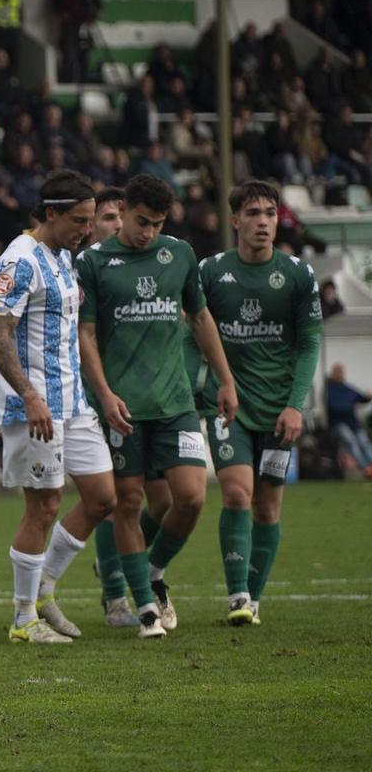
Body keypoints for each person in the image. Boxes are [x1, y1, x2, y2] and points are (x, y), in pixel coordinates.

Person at [75, 175, 237, 639]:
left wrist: (224, 379)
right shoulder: (94, 262)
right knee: (126, 503)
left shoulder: (179, 254)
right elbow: (85, 336)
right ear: (123, 210)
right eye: (141, 221)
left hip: (175, 402)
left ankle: (153, 570)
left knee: (189, 498)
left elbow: (200, 316)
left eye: (157, 223)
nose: (147, 232)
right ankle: (144, 609)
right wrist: (104, 395)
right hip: (122, 406)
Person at [0, 172, 117, 644]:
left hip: (73, 401)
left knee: (103, 497)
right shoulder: (18, 262)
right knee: (44, 508)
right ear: (50, 213)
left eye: (90, 219)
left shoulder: (64, 256)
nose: (86, 229)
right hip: (36, 405)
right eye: (79, 220)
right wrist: (30, 396)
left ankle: (43, 590)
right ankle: (23, 620)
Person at [180, 181, 321, 626]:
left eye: (270, 213)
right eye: (254, 213)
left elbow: (310, 343)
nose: (263, 221)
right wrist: (188, 391)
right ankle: (238, 596)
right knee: (238, 494)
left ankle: (253, 599)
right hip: (228, 407)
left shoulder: (298, 274)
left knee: (267, 508)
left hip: (279, 411)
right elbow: (191, 334)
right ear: (235, 220)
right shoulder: (211, 272)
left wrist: (296, 405)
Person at [325, 364, 372, 476]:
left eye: (341, 372)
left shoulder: (348, 389)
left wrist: (367, 397)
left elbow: (361, 398)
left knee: (364, 442)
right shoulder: (329, 390)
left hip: (353, 422)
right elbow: (333, 407)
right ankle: (365, 467)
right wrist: (349, 407)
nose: (340, 375)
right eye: (338, 373)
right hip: (338, 423)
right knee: (352, 441)